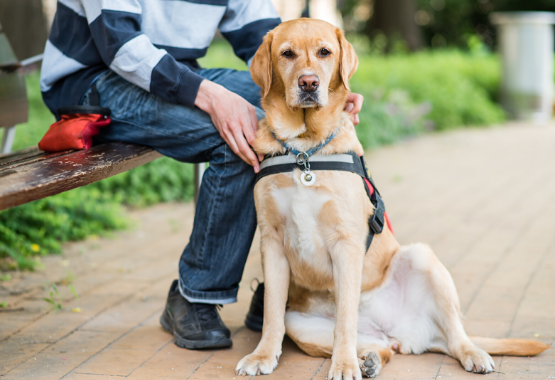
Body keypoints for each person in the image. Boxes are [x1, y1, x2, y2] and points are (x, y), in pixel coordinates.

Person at [40, 0, 363, 350]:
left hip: (174, 70)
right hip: (93, 78)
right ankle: (196, 295)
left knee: (299, 116)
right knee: (239, 136)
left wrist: (328, 89)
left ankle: (287, 285)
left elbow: (264, 36)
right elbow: (120, 47)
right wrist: (210, 97)